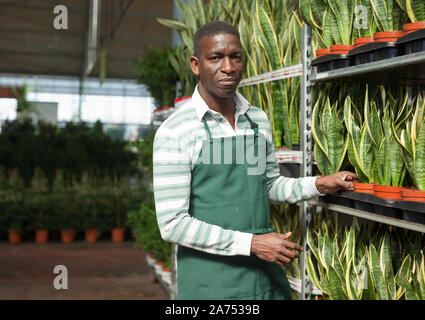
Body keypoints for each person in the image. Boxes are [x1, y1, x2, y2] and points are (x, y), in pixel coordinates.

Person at [153, 21, 358, 300]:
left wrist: (319, 184)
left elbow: (268, 184)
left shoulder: (256, 119)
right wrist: (251, 244)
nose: (228, 67)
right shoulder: (176, 131)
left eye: (235, 57)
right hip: (213, 280)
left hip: (264, 274)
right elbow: (173, 223)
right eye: (215, 58)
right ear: (195, 65)